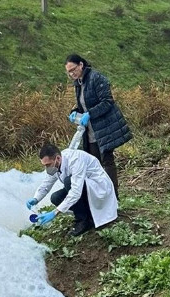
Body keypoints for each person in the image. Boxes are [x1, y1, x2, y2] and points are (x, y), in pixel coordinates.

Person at [65, 54, 132, 197]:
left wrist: (90, 114)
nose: (72, 74)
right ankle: (99, 198)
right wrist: (75, 112)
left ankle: (113, 197)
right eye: (69, 72)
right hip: (89, 130)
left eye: (73, 69)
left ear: (81, 65)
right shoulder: (78, 83)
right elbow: (83, 104)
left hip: (104, 128)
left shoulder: (96, 78)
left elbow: (107, 101)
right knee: (94, 165)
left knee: (107, 162)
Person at [26, 143, 118, 237]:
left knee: (68, 182)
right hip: (83, 188)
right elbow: (46, 183)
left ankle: (82, 221)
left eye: (48, 164)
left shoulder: (75, 159)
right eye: (45, 165)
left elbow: (75, 192)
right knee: (55, 198)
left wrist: (55, 212)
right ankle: (87, 215)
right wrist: (36, 199)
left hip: (98, 187)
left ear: (57, 158)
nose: (47, 168)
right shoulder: (55, 165)